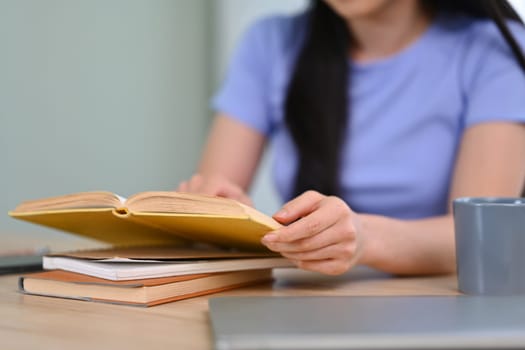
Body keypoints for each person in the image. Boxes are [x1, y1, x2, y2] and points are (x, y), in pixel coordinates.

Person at [178, 0, 525, 276]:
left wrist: (365, 238)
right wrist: (218, 208)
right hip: (307, 297)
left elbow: (480, 237)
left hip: (440, 301)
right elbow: (218, 186)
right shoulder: (270, 42)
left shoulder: (493, 48)